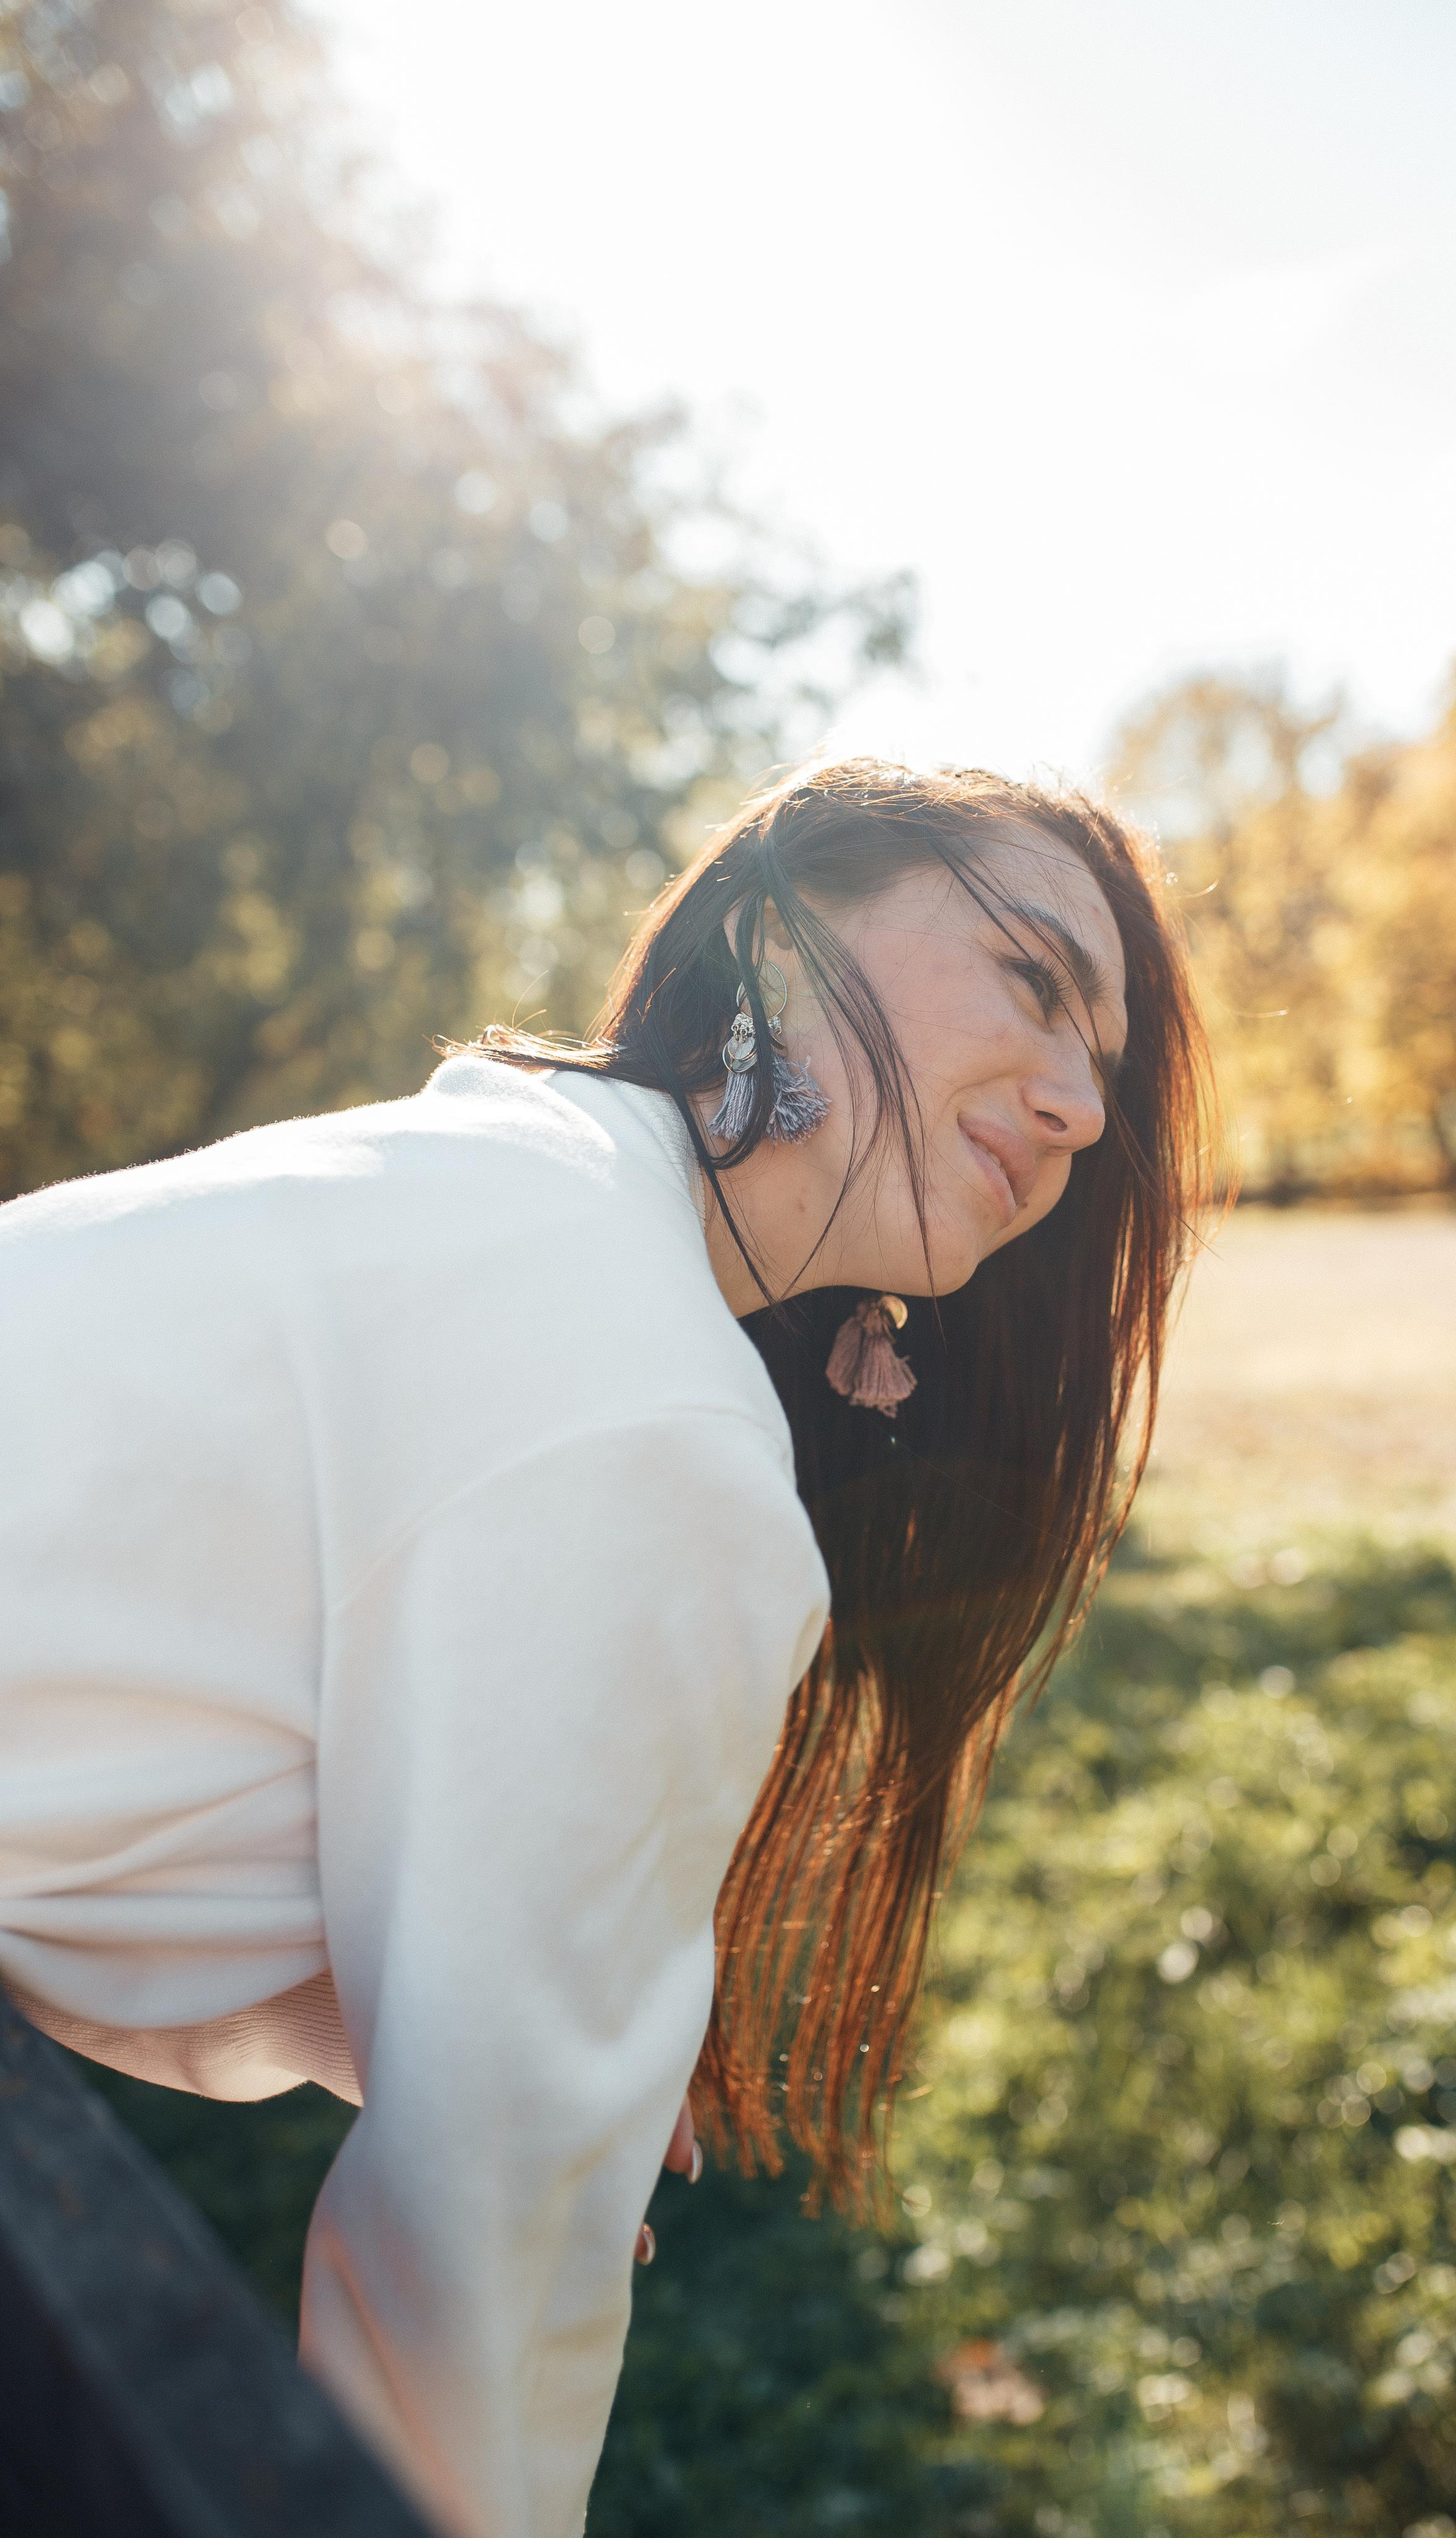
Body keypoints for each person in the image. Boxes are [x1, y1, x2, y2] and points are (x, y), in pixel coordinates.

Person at [0, 757, 1210, 2537]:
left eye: (1102, 1069)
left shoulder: (514, 1161)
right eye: (1034, 984)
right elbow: (491, 2257)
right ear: (775, 935)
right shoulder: (647, 1402)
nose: (1080, 1109)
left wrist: (426, 1982)